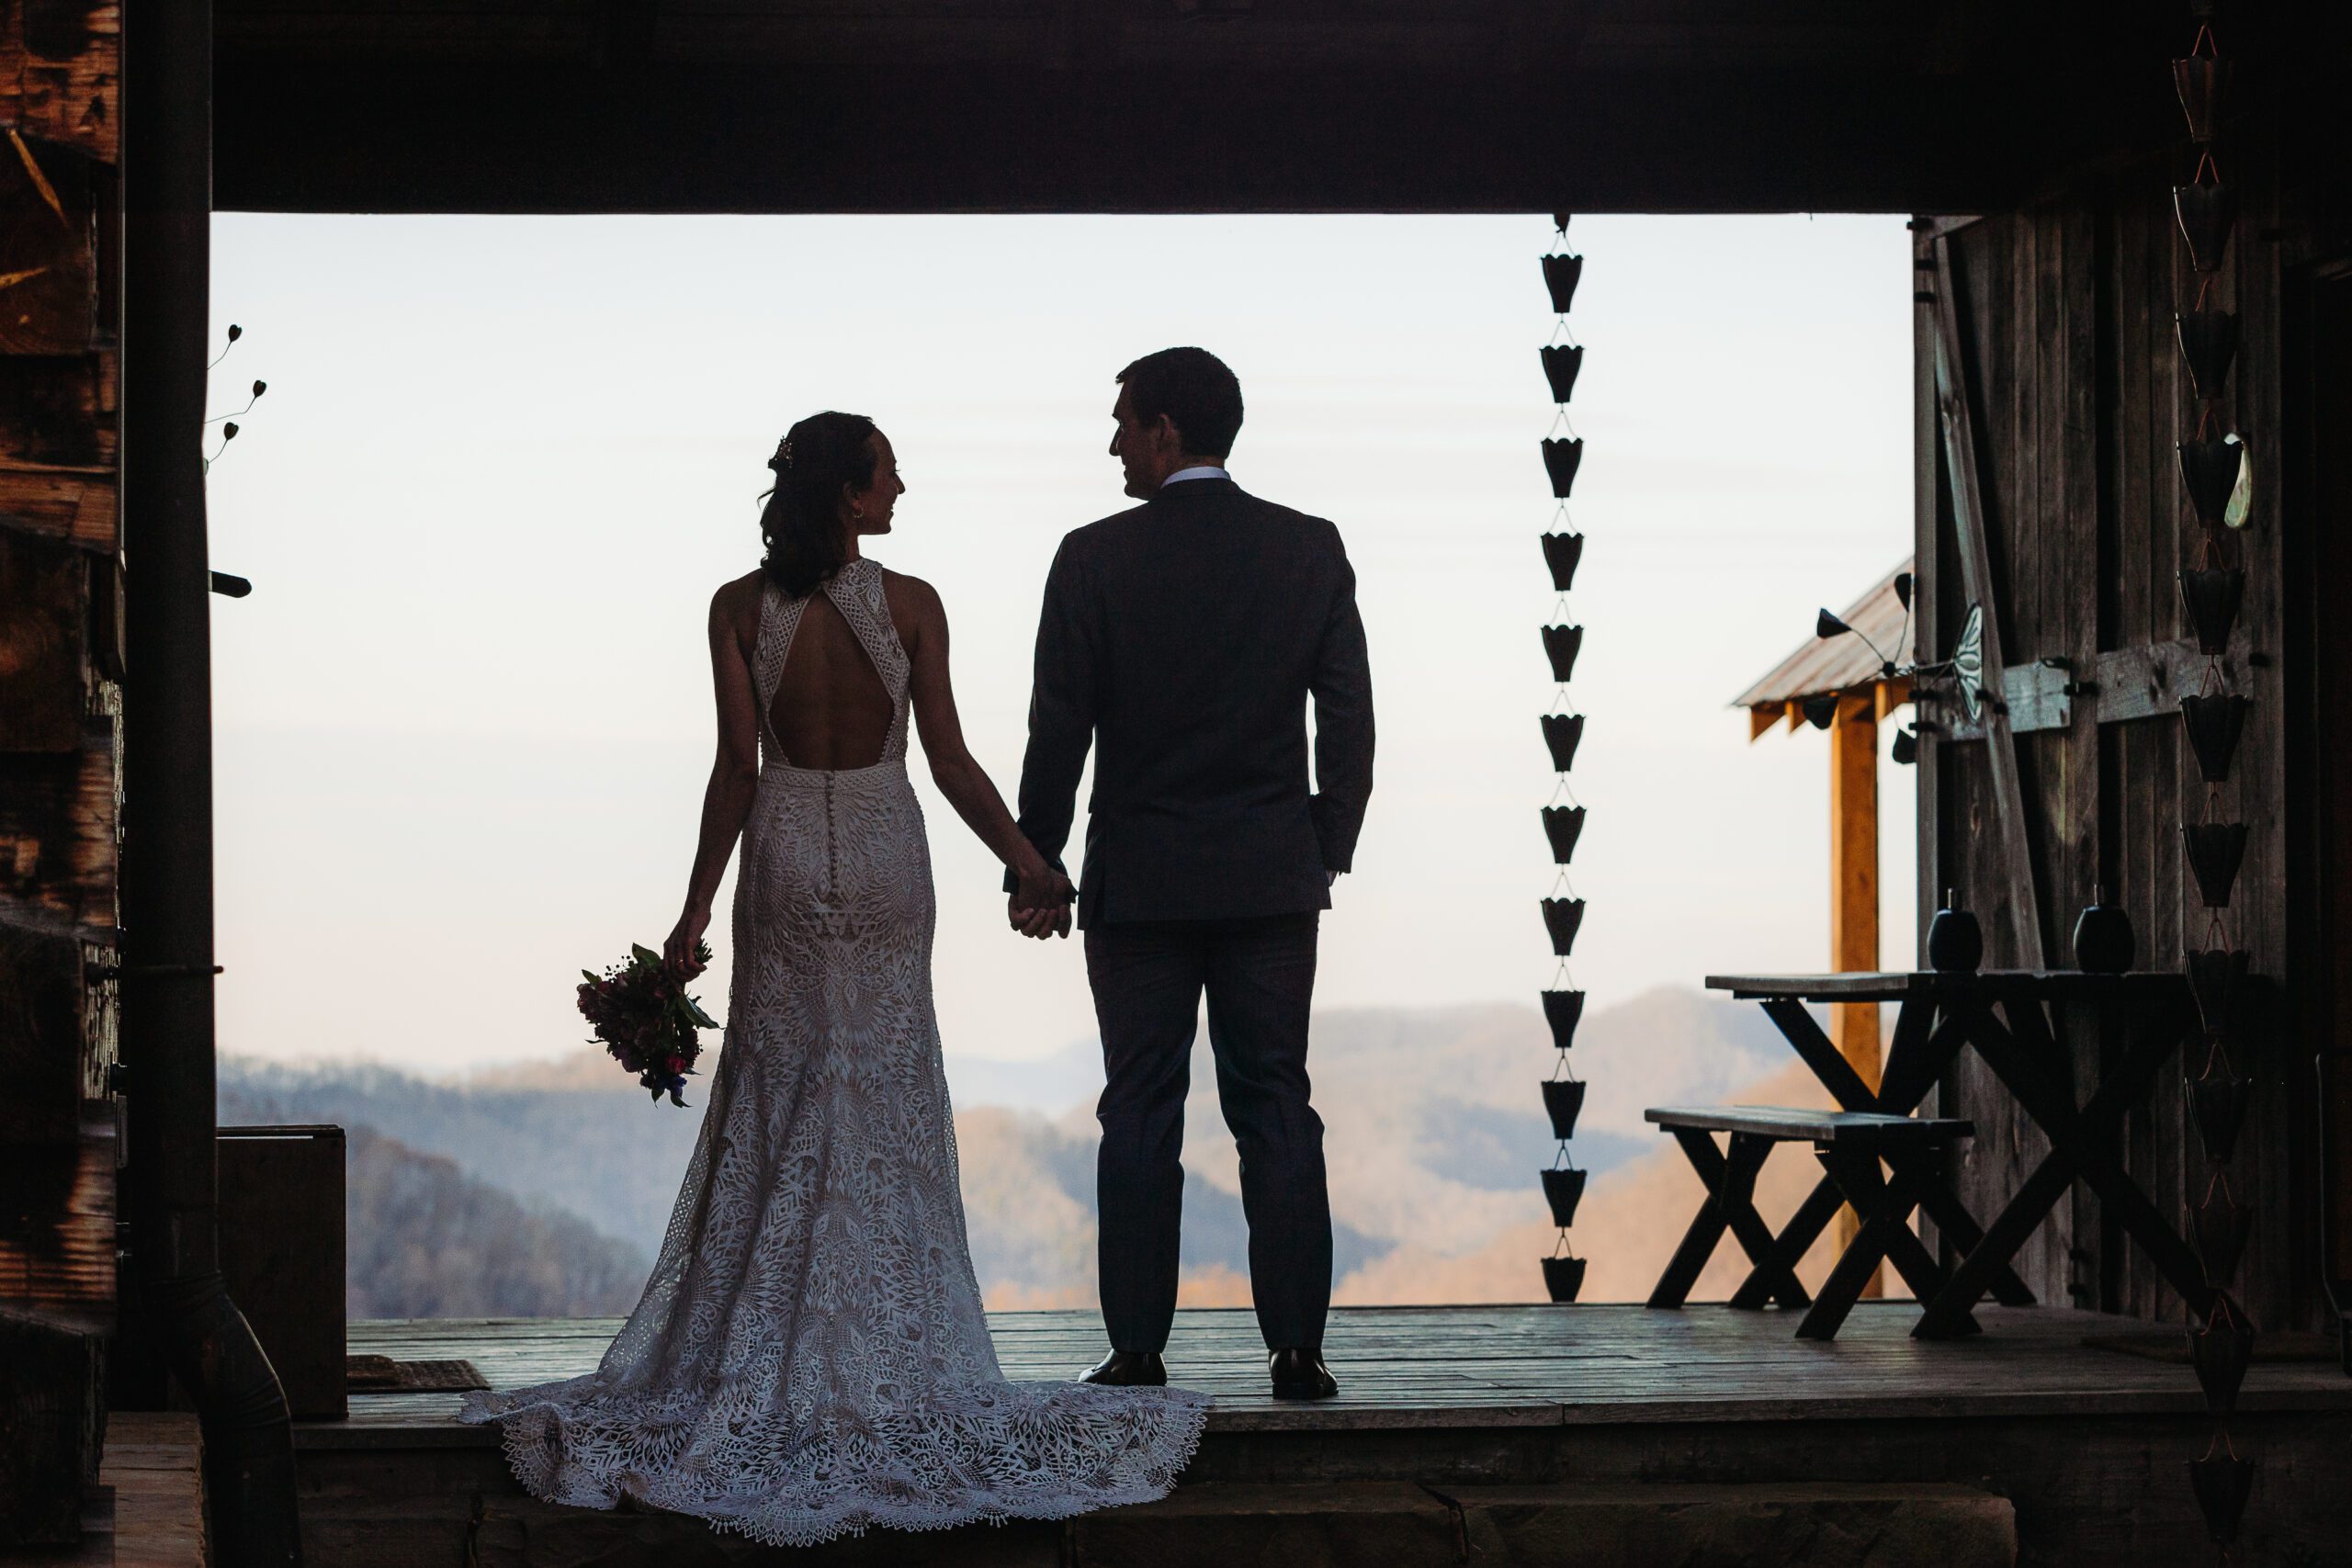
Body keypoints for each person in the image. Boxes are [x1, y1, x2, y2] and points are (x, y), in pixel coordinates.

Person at [461, 412, 1208, 1547]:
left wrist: (692, 914)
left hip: (781, 854)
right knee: (881, 1088)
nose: (904, 485)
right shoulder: (911, 602)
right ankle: (880, 1357)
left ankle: (769, 1339)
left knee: (782, 1090)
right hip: (883, 849)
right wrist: (1028, 860)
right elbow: (950, 760)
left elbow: (731, 774)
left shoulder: (735, 607)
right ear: (851, 494)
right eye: (889, 471)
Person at [1007, 347, 1375, 1401]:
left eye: (1123, 422)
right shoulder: (1308, 550)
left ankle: (1135, 1352)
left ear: (1165, 430)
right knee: (1275, 1107)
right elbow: (1346, 716)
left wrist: (1040, 862)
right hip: (1269, 878)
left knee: (1139, 1110)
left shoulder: (1093, 558)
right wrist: (1324, 844)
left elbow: (1058, 725)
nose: (1114, 442)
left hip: (1142, 886)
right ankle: (1297, 1352)